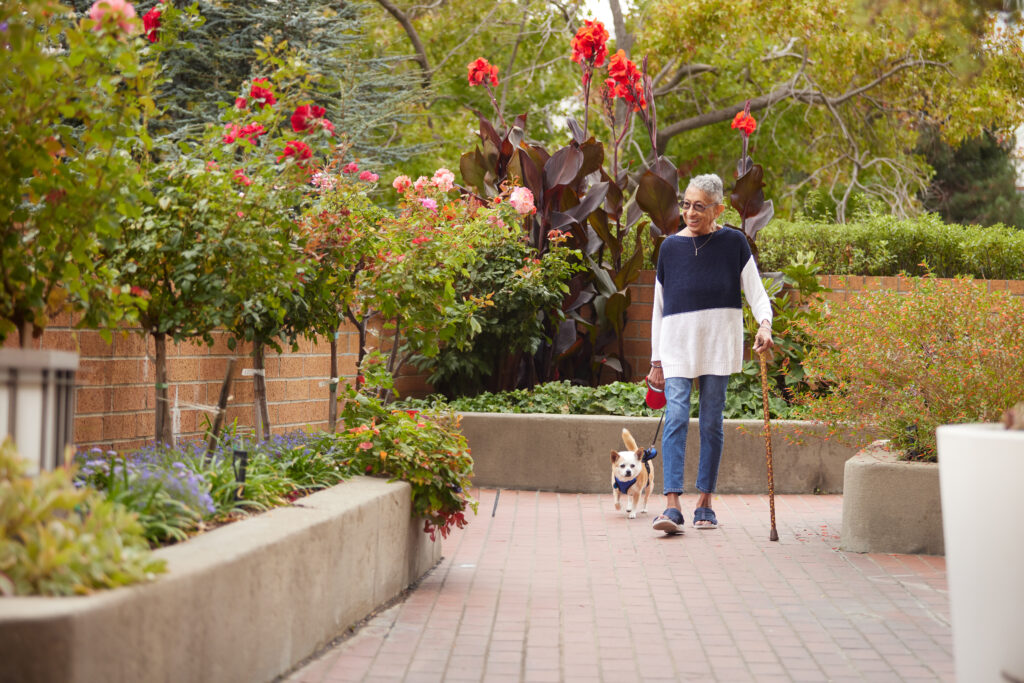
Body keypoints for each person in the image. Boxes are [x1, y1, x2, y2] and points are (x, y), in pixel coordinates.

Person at [646, 173, 775, 534]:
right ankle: (671, 505)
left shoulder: (734, 243)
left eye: (699, 206)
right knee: (674, 418)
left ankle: (705, 501)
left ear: (717, 208)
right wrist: (656, 360)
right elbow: (657, 307)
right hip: (676, 346)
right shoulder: (670, 248)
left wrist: (764, 324)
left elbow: (757, 292)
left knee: (711, 423)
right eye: (686, 204)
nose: (690, 212)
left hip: (718, 344)